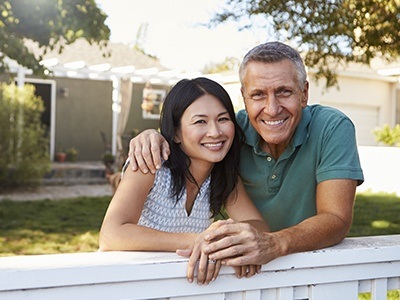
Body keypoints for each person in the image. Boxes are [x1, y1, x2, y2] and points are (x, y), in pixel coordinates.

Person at [128, 41, 364, 278]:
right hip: (248, 275)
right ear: (244, 97)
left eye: (284, 91)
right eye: (258, 95)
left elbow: (336, 218)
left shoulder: (332, 127)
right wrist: (154, 136)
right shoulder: (229, 134)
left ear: (304, 93)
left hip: (310, 270)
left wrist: (272, 243)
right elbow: (190, 134)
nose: (272, 109)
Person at [99, 77, 269, 285]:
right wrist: (201, 240)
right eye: (200, 121)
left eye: (223, 119)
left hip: (181, 286)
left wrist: (225, 238)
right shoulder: (151, 164)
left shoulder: (223, 177)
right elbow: (111, 234)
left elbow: (260, 227)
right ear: (176, 133)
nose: (215, 132)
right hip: (129, 283)